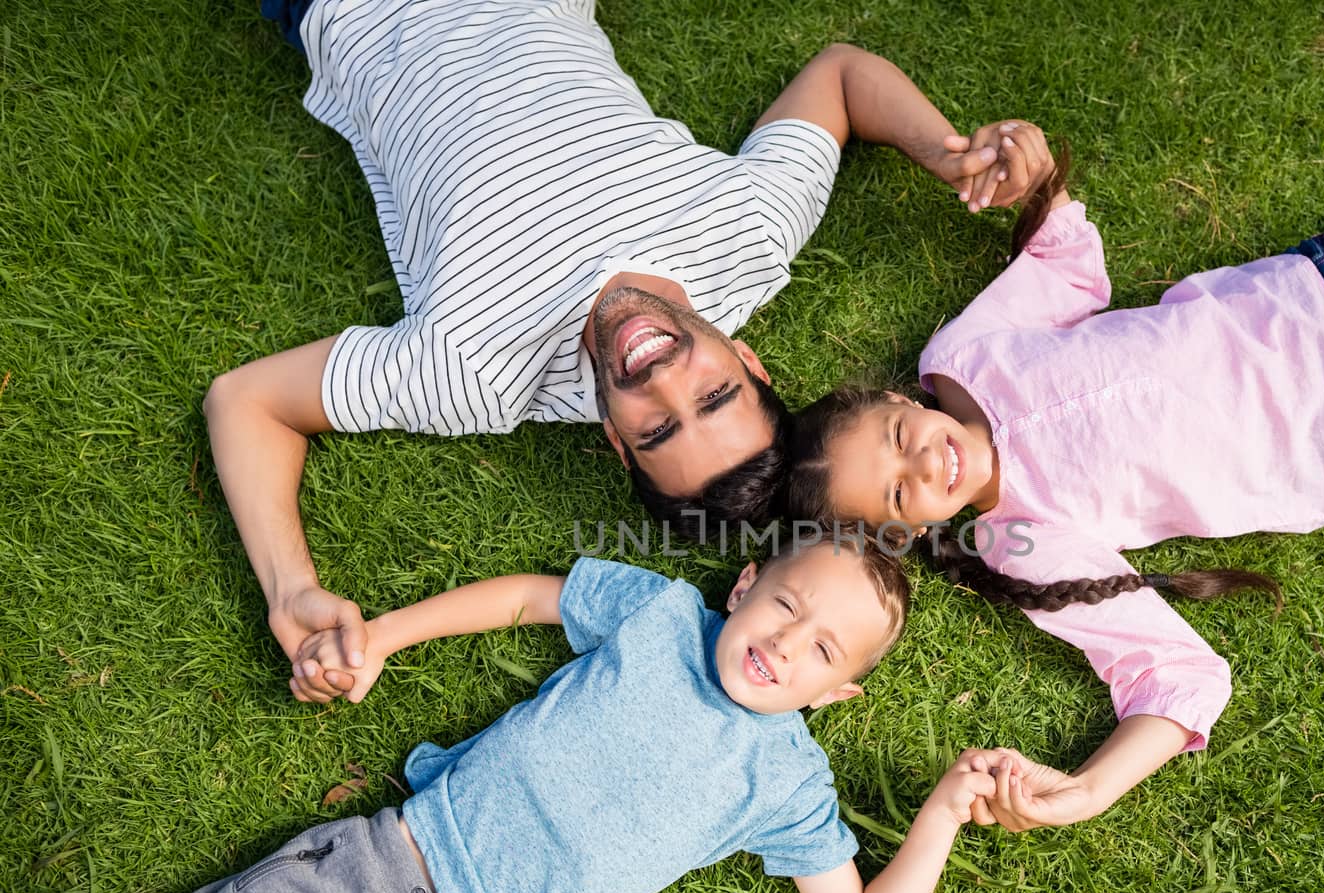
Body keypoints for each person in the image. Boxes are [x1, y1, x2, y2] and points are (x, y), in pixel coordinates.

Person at [209, 0, 1052, 702]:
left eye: (656, 429)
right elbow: (838, 75)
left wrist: (291, 587)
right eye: (715, 395)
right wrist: (949, 152)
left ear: (612, 439)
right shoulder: (747, 237)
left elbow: (246, 402)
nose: (660, 377)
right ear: (751, 361)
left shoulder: (474, 373)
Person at [782, 139, 1324, 830]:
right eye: (898, 494)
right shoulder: (1020, 542)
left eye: (897, 438)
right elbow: (1176, 670)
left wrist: (1028, 171)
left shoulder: (959, 356)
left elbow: (1068, 262)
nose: (925, 463)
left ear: (897, 400)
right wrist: (1092, 787)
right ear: (908, 532)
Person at [5, 536, 1004, 893]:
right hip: (365, 868)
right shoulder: (660, 612)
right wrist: (388, 634)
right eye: (787, 603)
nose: (789, 641)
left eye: (823, 649)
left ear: (836, 695)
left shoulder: (784, 782)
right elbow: (534, 594)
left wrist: (947, 809)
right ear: (744, 582)